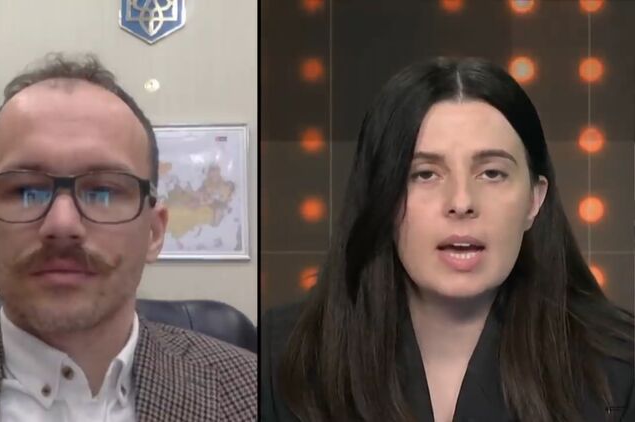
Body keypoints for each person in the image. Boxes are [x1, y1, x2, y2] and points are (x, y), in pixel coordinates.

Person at [0, 53, 257, 422]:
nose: (62, 225)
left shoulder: (254, 393)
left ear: (154, 233)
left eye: (103, 191)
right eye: (27, 191)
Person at [260, 57, 634, 422]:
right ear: (382, 196)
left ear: (534, 200)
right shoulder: (280, 359)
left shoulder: (620, 369)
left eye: (492, 173)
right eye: (425, 174)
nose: (461, 202)